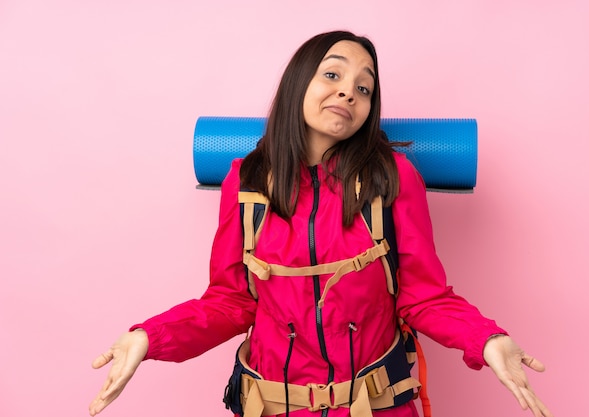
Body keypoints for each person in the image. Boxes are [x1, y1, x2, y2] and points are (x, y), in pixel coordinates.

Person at [89, 31, 553, 417]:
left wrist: (487, 339)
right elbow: (230, 301)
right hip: (271, 407)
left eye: (364, 88)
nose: (349, 91)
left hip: (379, 407)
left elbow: (425, 295)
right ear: (298, 83)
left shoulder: (392, 176)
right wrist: (151, 336)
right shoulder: (246, 181)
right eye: (332, 74)